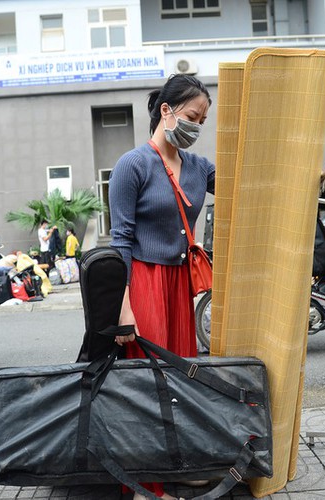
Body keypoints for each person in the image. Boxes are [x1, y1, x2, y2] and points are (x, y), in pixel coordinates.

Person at [109, 74, 215, 500]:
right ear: (166, 111)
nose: (196, 126)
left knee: (180, 380)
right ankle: (143, 488)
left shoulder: (199, 168)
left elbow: (248, 186)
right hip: (143, 284)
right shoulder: (132, 164)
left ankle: (174, 465)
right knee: (145, 385)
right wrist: (123, 309)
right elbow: (120, 243)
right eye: (192, 116)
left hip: (179, 286)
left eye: (203, 120)